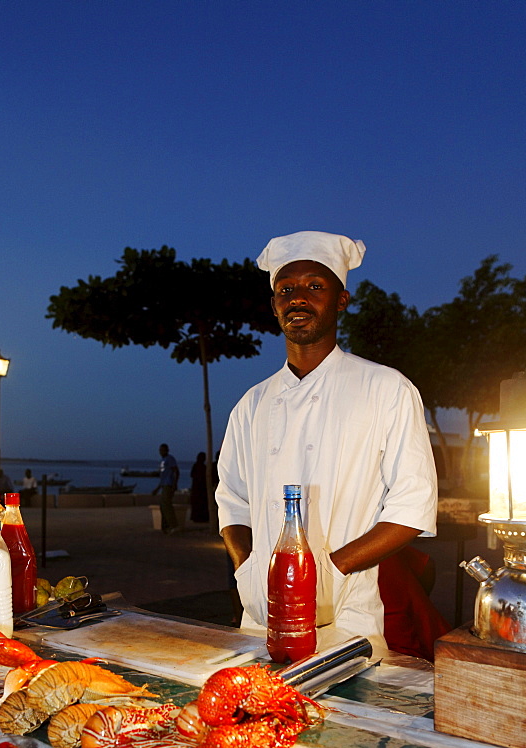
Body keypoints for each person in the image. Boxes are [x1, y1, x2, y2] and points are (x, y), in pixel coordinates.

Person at [215, 230, 438, 651]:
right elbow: (232, 499)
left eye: (315, 286)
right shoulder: (251, 403)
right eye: (286, 289)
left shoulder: (386, 388)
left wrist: (325, 571)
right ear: (275, 305)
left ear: (341, 300)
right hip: (258, 618)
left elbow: (413, 506)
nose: (298, 297)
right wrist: (248, 567)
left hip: (346, 617)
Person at [152, 443, 180, 534]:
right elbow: (163, 477)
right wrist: (157, 488)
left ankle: (173, 525)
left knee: (167, 505)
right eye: (160, 450)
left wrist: (174, 484)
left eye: (163, 450)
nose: (161, 452)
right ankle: (166, 526)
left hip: (169, 485)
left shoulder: (170, 459)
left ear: (167, 450)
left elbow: (176, 471)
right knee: (163, 506)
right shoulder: (162, 461)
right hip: (164, 485)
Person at [189, 452, 209, 523]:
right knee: (199, 503)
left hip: (199, 488)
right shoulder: (202, 467)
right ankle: (199, 518)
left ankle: (198, 518)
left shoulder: (200, 467)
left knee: (199, 503)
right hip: (199, 488)